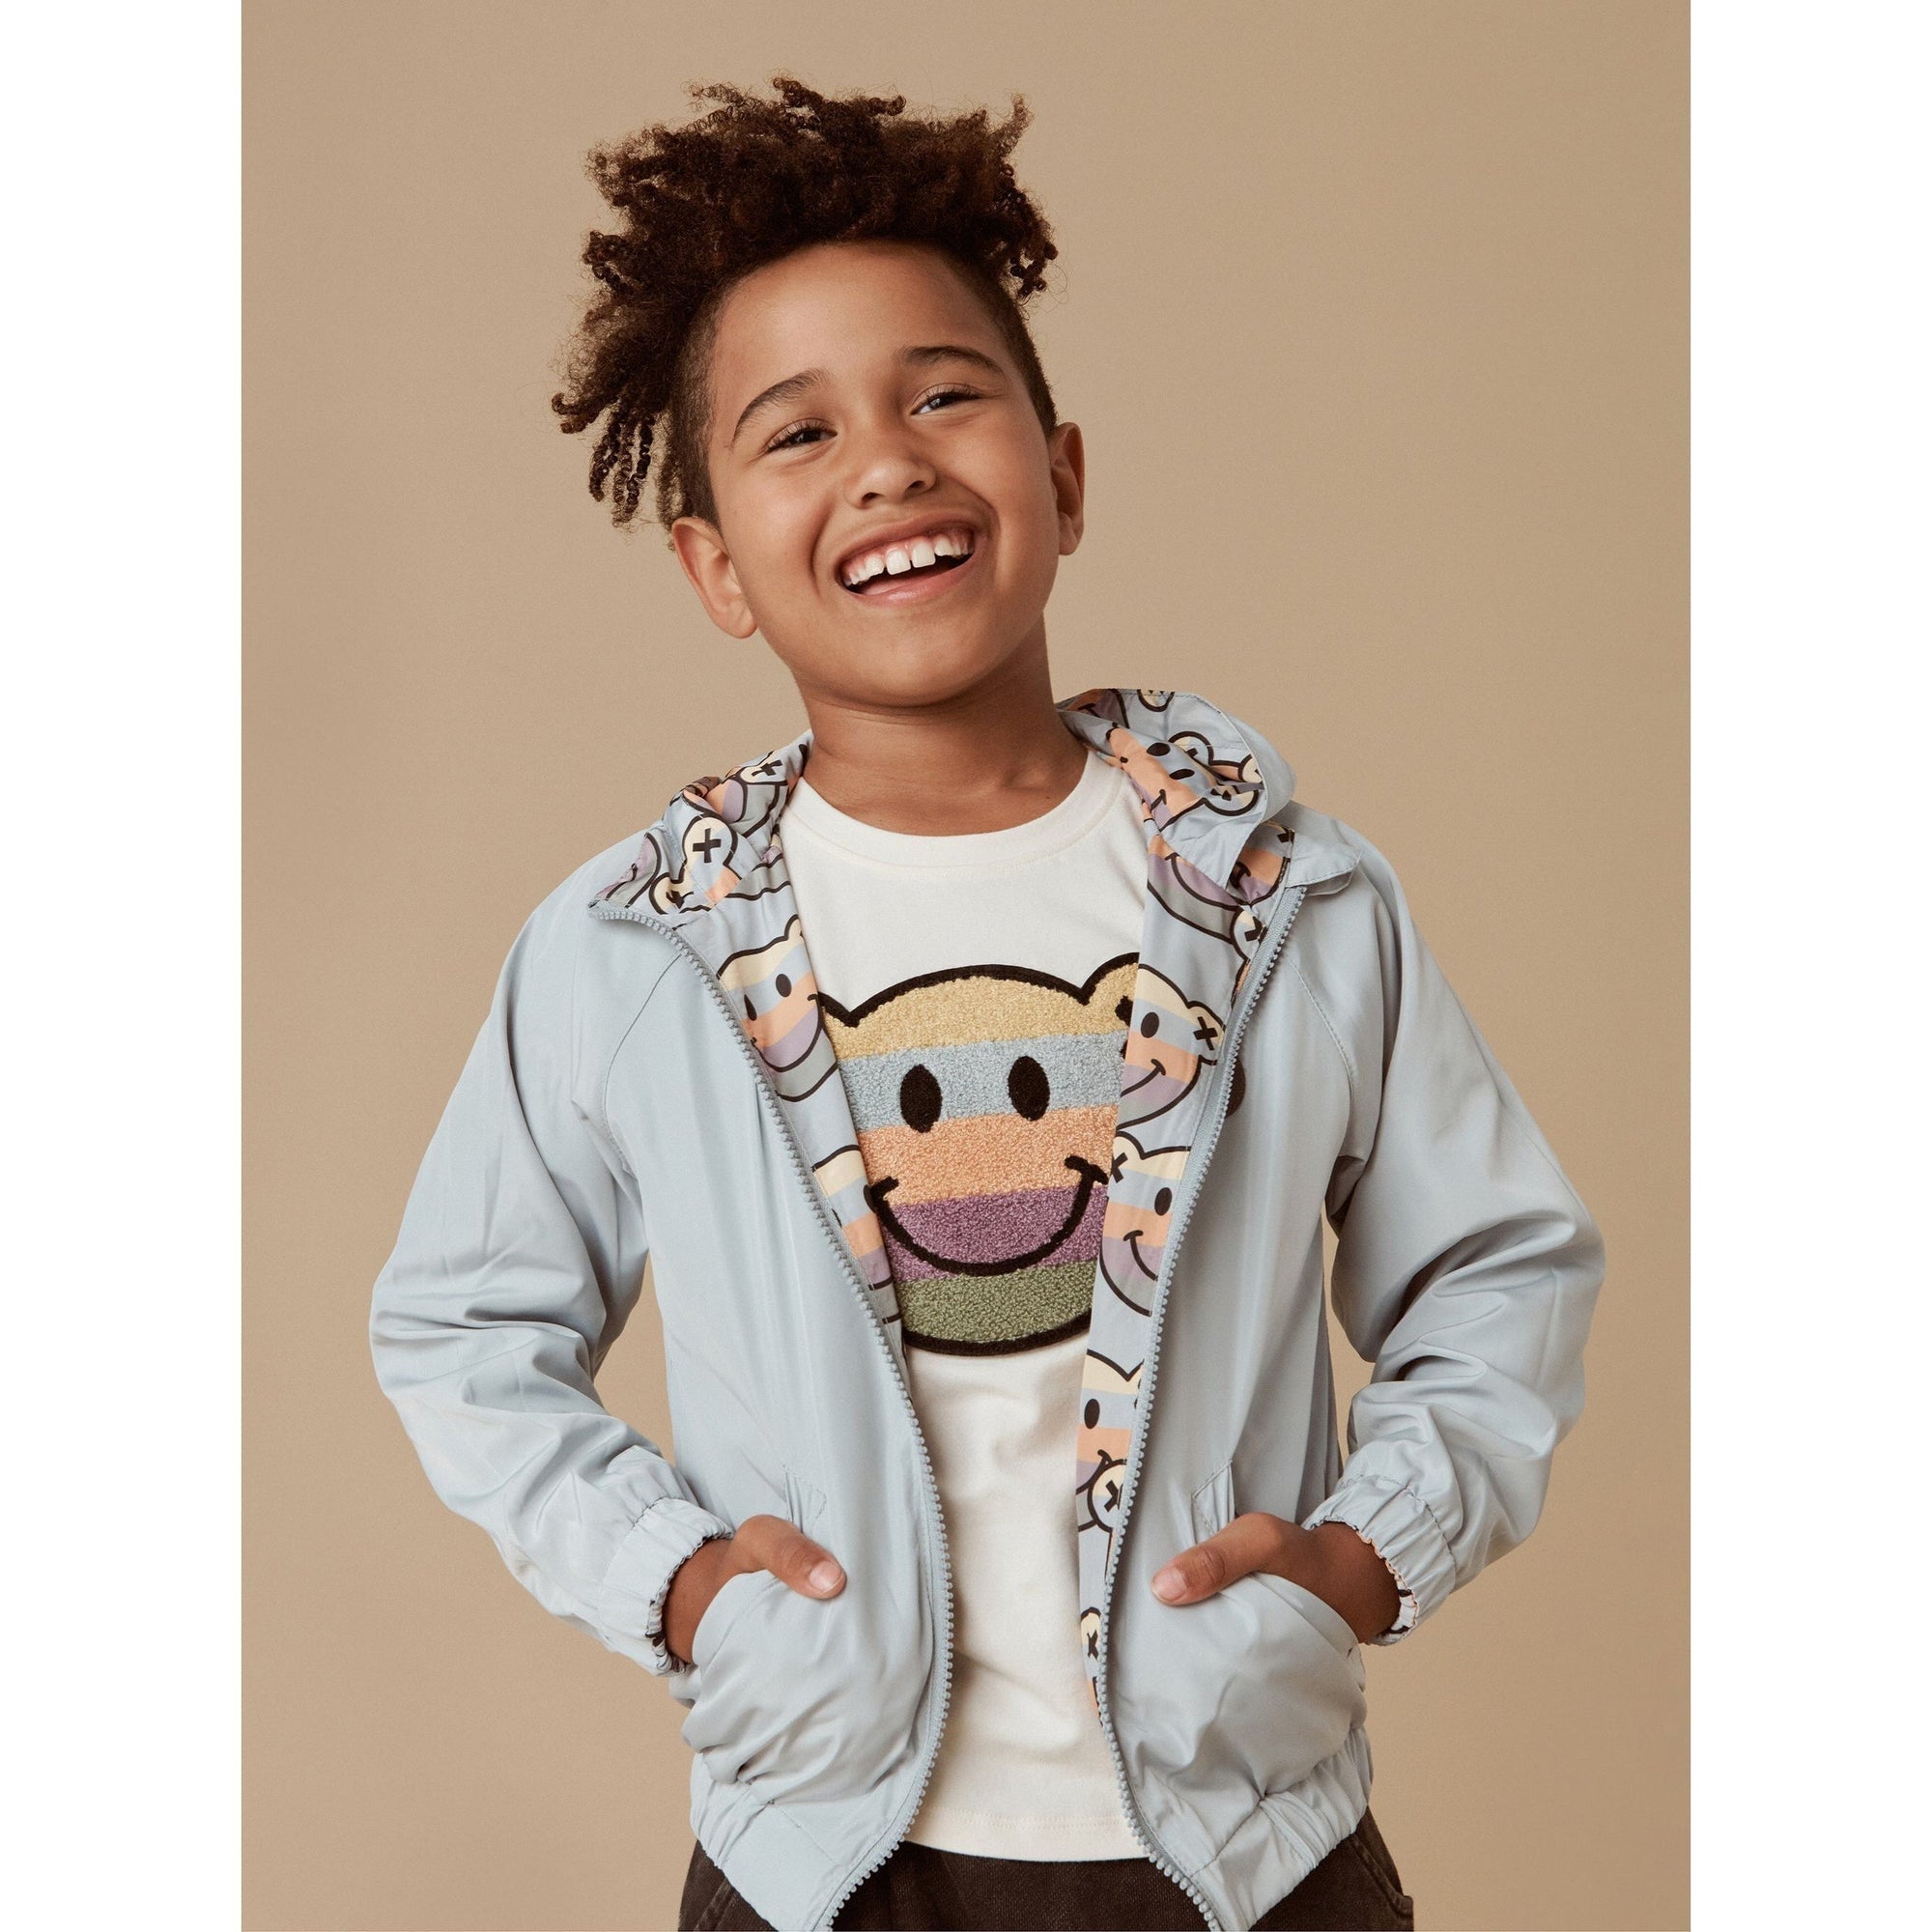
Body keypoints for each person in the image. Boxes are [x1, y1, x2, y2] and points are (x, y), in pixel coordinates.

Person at [369, 76, 1605, 1932]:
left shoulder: (1290, 903)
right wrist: (680, 1585)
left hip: (1248, 1848)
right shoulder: (636, 953)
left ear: (1066, 476)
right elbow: (464, 1320)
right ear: (713, 564)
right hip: (825, 1860)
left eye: (943, 394)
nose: (886, 464)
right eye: (798, 432)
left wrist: (1366, 1555)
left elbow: (1500, 1265)